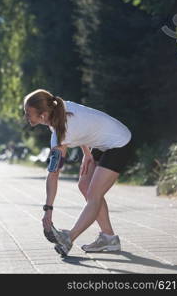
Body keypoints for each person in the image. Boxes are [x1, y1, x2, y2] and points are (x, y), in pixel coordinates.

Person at [23, 89, 132, 255]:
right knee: (84, 186)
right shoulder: (59, 110)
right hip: (103, 142)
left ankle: (69, 238)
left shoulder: (60, 133)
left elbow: (53, 174)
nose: (26, 117)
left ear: (43, 115)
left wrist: (48, 209)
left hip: (119, 142)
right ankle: (109, 238)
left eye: (28, 113)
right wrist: (87, 153)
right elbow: (84, 127)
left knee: (94, 194)